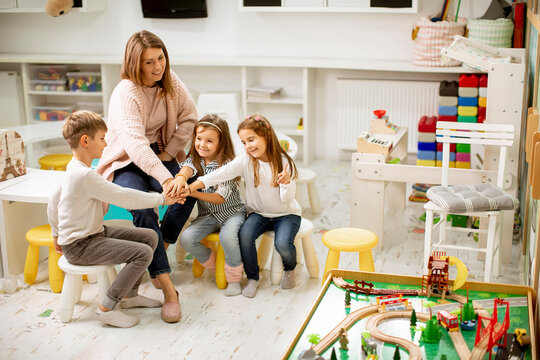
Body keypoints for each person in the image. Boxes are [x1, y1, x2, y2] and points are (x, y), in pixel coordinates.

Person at [96, 30, 198, 319]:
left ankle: (159, 247)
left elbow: (191, 116)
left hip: (158, 153)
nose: (157, 67)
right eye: (148, 62)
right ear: (134, 64)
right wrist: (165, 178)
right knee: (144, 207)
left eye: (161, 58)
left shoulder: (169, 81)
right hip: (127, 159)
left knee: (188, 188)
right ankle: (168, 290)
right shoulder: (125, 93)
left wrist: (170, 153)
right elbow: (135, 144)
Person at [47, 110, 177, 328]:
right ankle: (107, 308)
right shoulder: (84, 175)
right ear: (85, 141)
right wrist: (162, 199)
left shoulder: (75, 168)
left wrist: (56, 233)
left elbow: (53, 202)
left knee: (150, 236)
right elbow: (124, 197)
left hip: (93, 234)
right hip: (81, 245)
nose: (106, 144)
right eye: (102, 138)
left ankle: (130, 296)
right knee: (142, 252)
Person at [179, 114, 301, 298]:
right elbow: (219, 174)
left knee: (282, 244)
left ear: (266, 136)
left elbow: (287, 199)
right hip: (259, 213)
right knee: (244, 236)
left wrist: (286, 183)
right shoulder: (245, 160)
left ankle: (290, 268)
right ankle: (252, 278)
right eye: (244, 142)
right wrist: (192, 186)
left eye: (251, 140)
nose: (248, 146)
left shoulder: (284, 163)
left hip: (286, 214)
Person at [168, 114, 246, 296]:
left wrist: (191, 191)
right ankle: (215, 262)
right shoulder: (196, 160)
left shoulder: (228, 165)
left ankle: (234, 278)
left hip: (232, 213)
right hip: (208, 216)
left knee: (228, 238)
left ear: (221, 143)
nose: (202, 144)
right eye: (199, 138)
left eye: (209, 141)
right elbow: (187, 168)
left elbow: (220, 198)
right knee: (187, 238)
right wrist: (180, 179)